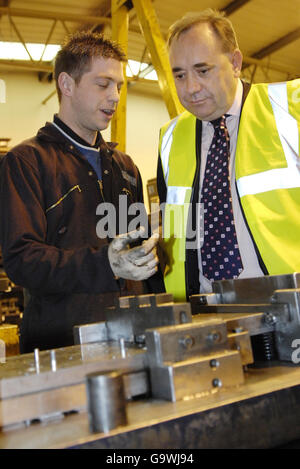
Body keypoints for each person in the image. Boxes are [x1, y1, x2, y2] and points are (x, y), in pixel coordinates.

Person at [0, 31, 164, 353]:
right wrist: (107, 264)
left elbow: (137, 246)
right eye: (103, 85)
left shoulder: (125, 168)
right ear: (67, 85)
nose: (115, 96)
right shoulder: (26, 162)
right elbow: (22, 260)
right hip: (61, 346)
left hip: (131, 338)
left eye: (119, 86)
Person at [157, 9, 300, 301]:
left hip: (289, 306)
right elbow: (172, 230)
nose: (191, 88)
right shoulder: (170, 138)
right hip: (204, 315)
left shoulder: (290, 107)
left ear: (235, 62)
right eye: (180, 75)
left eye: (203, 70)